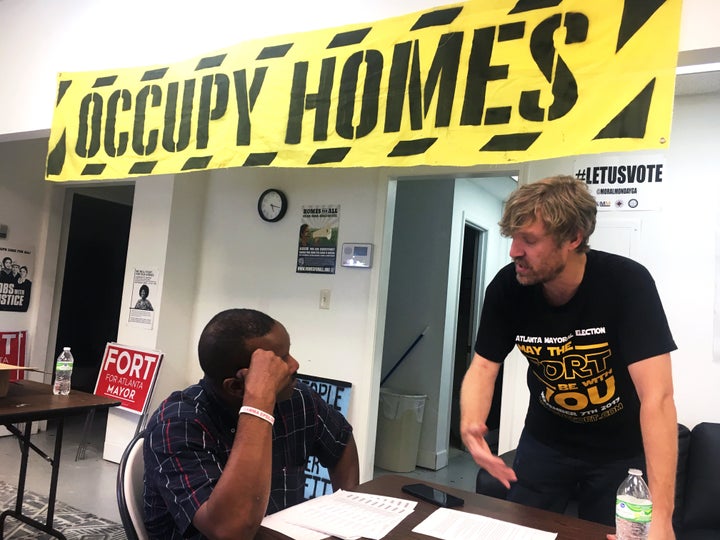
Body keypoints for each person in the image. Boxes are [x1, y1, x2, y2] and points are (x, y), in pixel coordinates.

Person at [460, 176, 677, 540]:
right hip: (546, 442)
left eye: (528, 240)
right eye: (513, 238)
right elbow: (483, 365)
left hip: (619, 452)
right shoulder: (507, 288)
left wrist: (663, 518)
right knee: (520, 533)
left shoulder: (627, 285)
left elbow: (658, 399)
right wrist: (471, 421)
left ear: (573, 238)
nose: (514, 251)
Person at [143, 308, 359, 540]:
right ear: (236, 387)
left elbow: (341, 442)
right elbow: (229, 530)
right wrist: (258, 405)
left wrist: (344, 513)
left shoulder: (299, 399)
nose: (294, 364)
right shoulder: (177, 424)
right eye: (278, 362)